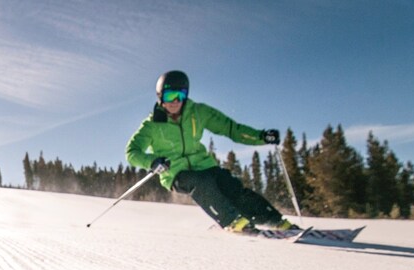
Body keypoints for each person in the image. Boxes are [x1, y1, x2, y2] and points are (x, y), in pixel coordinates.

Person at [125, 70, 299, 234]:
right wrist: (152, 162)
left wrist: (261, 136)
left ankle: (276, 221)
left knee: (232, 187)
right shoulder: (151, 125)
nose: (175, 101)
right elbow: (132, 152)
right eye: (170, 95)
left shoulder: (198, 113)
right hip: (175, 172)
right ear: (160, 96)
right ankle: (231, 221)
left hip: (204, 165)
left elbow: (231, 129)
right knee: (200, 183)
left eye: (181, 95)